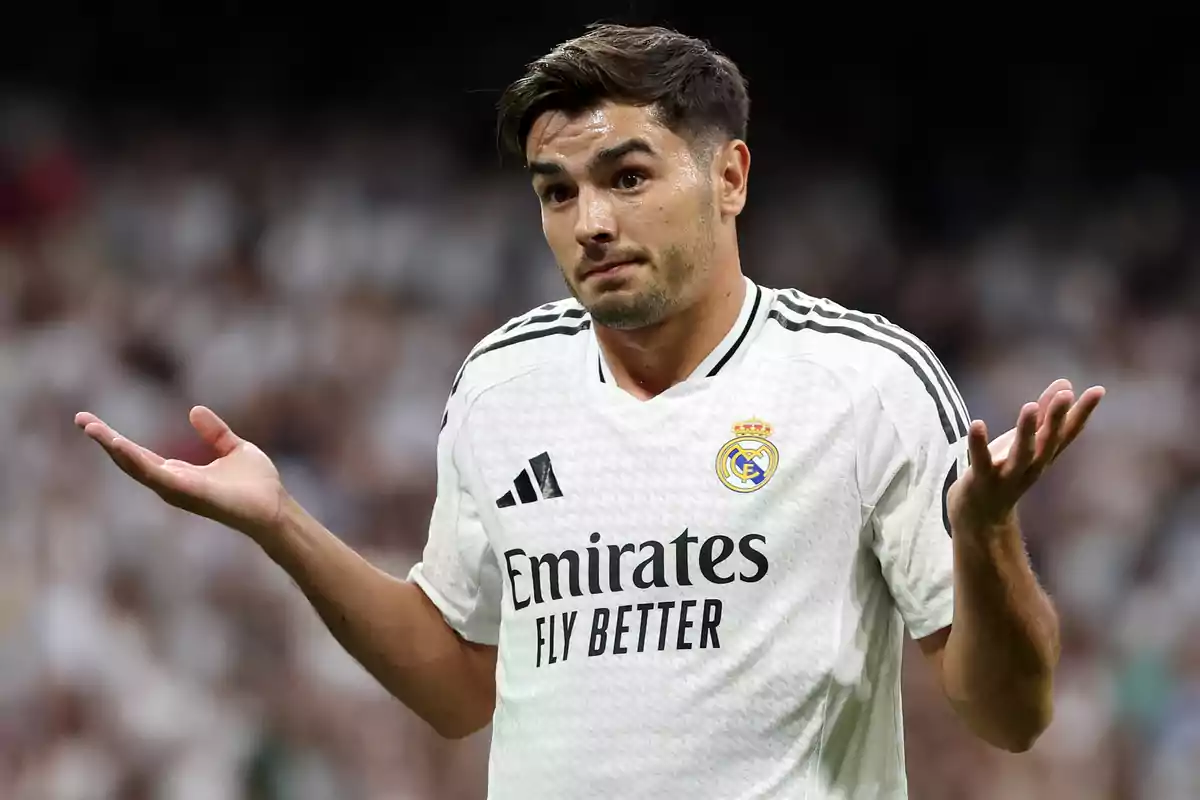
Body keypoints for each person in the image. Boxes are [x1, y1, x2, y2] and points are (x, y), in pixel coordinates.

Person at [76, 23, 1105, 800]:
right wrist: (284, 525)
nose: (591, 222)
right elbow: (455, 685)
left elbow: (1010, 714)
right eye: (557, 191)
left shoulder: (863, 379)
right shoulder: (500, 383)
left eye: (627, 176)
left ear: (730, 175)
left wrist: (987, 531)